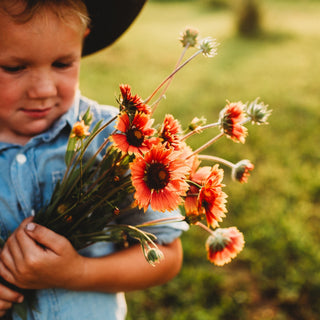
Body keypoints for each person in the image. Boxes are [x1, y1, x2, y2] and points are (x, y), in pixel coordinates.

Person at [0, 1, 187, 319]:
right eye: (14, 67)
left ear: (83, 40)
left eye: (62, 63)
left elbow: (166, 255)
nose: (44, 90)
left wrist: (77, 272)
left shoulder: (115, 141)